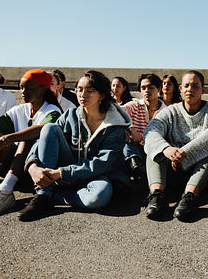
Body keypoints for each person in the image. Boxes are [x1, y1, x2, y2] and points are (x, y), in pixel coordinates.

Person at [17, 70, 131, 221]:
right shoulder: (70, 115)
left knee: (100, 195)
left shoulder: (114, 126)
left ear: (102, 95)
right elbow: (43, 141)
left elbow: (101, 164)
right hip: (67, 168)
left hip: (97, 175)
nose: (83, 95)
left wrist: (60, 174)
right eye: (79, 89)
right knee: (49, 128)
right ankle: (43, 196)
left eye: (90, 91)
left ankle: (54, 193)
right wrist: (32, 166)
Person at [144, 70, 208, 221]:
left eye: (195, 86)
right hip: (171, 170)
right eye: (186, 86)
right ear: (180, 89)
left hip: (199, 170)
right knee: (154, 149)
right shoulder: (170, 111)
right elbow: (151, 130)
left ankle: (189, 197)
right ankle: (156, 196)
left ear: (203, 90)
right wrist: (166, 149)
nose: (190, 90)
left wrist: (182, 154)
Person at [0, 69, 62, 215]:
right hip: (14, 166)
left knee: (27, 137)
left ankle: (5, 192)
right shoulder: (19, 110)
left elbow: (41, 129)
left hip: (35, 172)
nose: (23, 92)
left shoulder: (53, 111)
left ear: (43, 89)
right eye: (21, 87)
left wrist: (6, 139)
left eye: (29, 88)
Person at [122, 74, 167, 179]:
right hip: (135, 148)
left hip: (155, 151)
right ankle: (134, 163)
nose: (147, 91)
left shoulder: (166, 111)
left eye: (151, 87)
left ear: (159, 89)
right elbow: (116, 112)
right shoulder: (135, 105)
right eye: (143, 88)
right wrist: (131, 129)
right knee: (123, 137)